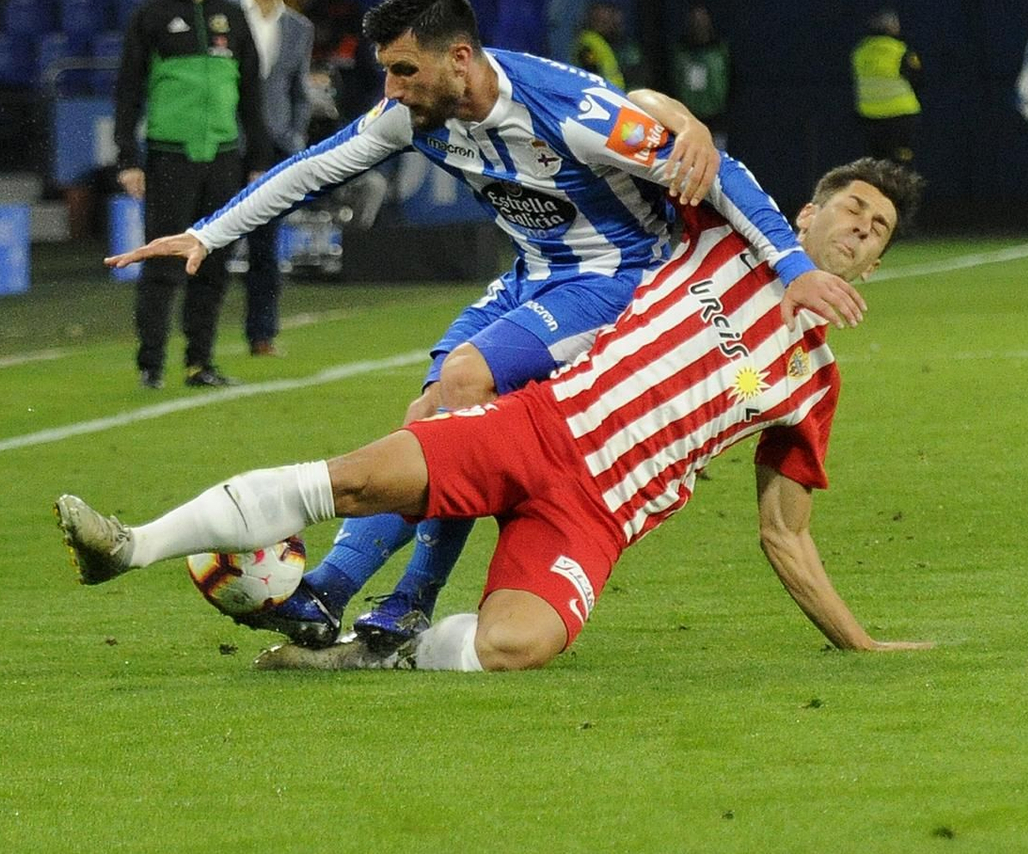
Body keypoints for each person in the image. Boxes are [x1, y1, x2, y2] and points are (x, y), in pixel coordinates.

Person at [57, 156, 931, 672]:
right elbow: (651, 123)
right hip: (537, 426)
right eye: (852, 208)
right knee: (355, 479)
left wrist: (859, 643)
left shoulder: (813, 384)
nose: (862, 228)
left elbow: (786, 533)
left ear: (875, 267)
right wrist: (686, 130)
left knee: (513, 648)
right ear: (806, 214)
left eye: (879, 229)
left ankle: (388, 646)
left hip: (595, 515)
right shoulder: (720, 234)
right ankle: (127, 546)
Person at [106, 0, 734, 650]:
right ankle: (332, 592)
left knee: (461, 394)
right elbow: (311, 168)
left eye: (404, 70)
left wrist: (786, 266)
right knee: (430, 413)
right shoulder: (417, 113)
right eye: (388, 71)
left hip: (614, 287)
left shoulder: (551, 101)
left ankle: (410, 598)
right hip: (533, 276)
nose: (392, 88)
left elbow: (672, 137)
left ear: (457, 58)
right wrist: (207, 234)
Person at [113, 0, 271, 390]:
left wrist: (257, 161)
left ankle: (199, 363)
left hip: (224, 158)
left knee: (215, 266)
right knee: (163, 264)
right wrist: (128, 158)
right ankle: (151, 365)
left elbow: (252, 96)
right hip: (170, 157)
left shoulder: (234, 18)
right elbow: (128, 92)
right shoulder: (151, 17)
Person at [236, 0, 314, 357]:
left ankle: (262, 334)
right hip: (227, 143)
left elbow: (299, 90)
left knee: (265, 245)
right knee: (214, 241)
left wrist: (294, 136)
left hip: (275, 149)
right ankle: (198, 341)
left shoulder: (299, 28)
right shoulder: (226, 18)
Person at [852, 9, 921, 165]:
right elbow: (917, 78)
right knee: (902, 162)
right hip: (901, 114)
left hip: (870, 115)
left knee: (878, 163)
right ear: (891, 28)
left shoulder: (859, 51)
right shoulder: (901, 50)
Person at [671, 5, 731, 151]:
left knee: (717, 156)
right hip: (688, 117)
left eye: (702, 19)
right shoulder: (680, 51)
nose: (699, 24)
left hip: (716, 117)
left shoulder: (720, 49)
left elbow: (732, 80)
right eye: (695, 19)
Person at [572, 0, 642, 91]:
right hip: (600, 93)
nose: (610, 23)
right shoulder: (589, 42)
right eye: (602, 21)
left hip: (619, 92)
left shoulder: (622, 44)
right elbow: (590, 73)